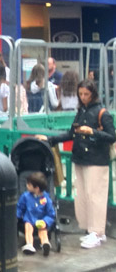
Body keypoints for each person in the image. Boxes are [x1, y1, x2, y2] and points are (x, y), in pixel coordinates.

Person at [42, 79, 115, 249]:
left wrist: (93, 132)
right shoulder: (82, 111)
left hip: (96, 160)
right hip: (82, 157)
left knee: (95, 196)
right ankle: (94, 231)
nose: (83, 97)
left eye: (86, 94)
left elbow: (112, 136)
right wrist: (51, 140)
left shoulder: (102, 113)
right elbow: (71, 133)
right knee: (83, 195)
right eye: (81, 94)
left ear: (93, 94)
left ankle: (96, 231)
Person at [17, 171, 55, 256]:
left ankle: (45, 243)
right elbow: (20, 207)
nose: (27, 186)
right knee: (28, 228)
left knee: (43, 230)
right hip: (29, 219)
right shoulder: (25, 196)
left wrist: (45, 222)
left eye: (29, 185)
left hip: (41, 220)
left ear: (36, 188)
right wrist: (17, 216)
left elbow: (50, 213)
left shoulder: (46, 198)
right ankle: (29, 244)